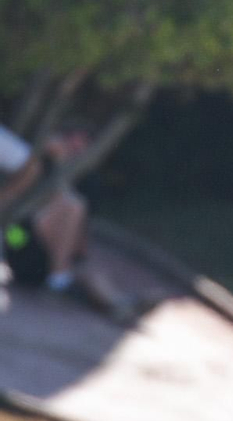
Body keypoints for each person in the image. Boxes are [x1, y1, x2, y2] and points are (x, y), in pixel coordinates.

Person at [0, 122, 133, 321]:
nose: (74, 150)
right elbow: (14, 216)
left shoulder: (81, 178)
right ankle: (60, 280)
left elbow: (79, 237)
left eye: (81, 147)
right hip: (15, 238)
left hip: (39, 251)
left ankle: (116, 304)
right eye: (72, 144)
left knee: (89, 271)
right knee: (72, 205)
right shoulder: (33, 160)